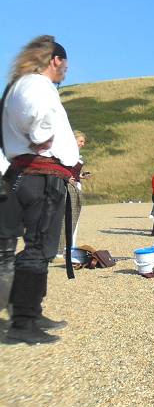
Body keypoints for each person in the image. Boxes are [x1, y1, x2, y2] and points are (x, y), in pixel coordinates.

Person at [0, 35, 79, 344]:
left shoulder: (21, 85)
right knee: (38, 248)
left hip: (30, 174)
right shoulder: (36, 84)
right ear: (55, 60)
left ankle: (31, 310)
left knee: (38, 248)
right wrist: (42, 134)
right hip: (40, 176)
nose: (66, 72)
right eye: (66, 65)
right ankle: (23, 322)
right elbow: (38, 117)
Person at [58, 130, 90, 255]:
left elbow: (73, 171)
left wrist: (81, 176)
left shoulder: (75, 154)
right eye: (80, 141)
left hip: (76, 185)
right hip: (68, 187)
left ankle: (70, 247)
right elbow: (58, 168)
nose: (83, 144)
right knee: (67, 217)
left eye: (83, 142)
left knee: (74, 217)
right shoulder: (65, 153)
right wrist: (65, 177)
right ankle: (62, 248)